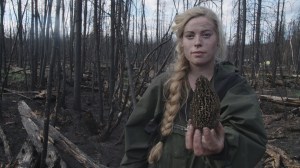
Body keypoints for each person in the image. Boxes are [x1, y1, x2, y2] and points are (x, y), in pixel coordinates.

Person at [120, 6, 267, 168]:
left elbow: (251, 138)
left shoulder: (234, 86)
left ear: (217, 40)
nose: (198, 42)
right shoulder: (164, 84)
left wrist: (222, 148)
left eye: (206, 35)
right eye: (190, 36)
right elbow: (137, 136)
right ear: (182, 42)